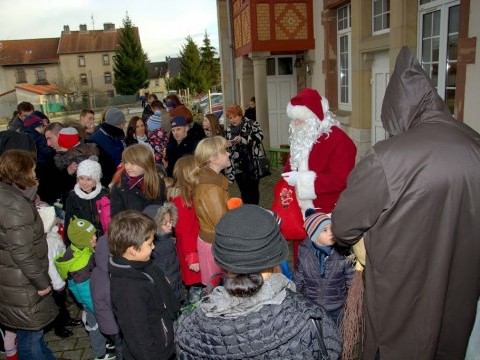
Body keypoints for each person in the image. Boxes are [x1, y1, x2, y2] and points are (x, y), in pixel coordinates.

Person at [331, 47, 480, 359]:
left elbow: (343, 228)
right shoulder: (474, 144)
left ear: (397, 108)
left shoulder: (388, 157)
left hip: (399, 297)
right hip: (459, 291)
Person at [176, 205, 342, 359]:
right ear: (275, 256)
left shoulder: (189, 331)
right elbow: (332, 350)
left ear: (221, 259)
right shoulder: (309, 319)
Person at [0, 150, 58, 359]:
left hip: (11, 279)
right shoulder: (16, 205)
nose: (35, 172)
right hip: (23, 284)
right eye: (32, 169)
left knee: (33, 333)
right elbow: (22, 251)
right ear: (22, 172)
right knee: (31, 337)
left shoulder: (7, 195)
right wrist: (42, 283)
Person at [108, 210, 180, 360]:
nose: (153, 247)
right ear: (133, 250)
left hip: (166, 338)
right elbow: (138, 338)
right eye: (150, 243)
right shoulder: (128, 290)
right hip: (155, 353)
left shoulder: (143, 263)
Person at [55, 217, 114, 360]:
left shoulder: (76, 249)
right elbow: (85, 291)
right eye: (91, 237)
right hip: (92, 302)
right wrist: (98, 308)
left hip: (90, 299)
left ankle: (104, 343)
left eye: (94, 234)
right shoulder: (81, 266)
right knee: (96, 326)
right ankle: (100, 354)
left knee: (96, 325)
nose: (95, 238)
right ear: (81, 240)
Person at [294, 211, 354, 325]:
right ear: (314, 235)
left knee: (337, 333)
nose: (331, 233)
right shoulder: (304, 253)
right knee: (319, 335)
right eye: (325, 230)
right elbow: (298, 277)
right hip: (313, 305)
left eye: (332, 228)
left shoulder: (343, 252)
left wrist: (353, 300)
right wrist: (294, 296)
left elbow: (351, 278)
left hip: (337, 305)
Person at [193, 136, 230, 287]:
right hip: (215, 245)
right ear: (212, 158)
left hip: (212, 242)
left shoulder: (212, 181)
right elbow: (223, 223)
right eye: (224, 151)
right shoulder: (211, 189)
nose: (228, 154)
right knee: (218, 289)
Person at [168, 155, 203, 303]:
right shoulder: (182, 201)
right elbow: (185, 232)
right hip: (193, 253)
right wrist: (192, 256)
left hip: (197, 247)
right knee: (197, 288)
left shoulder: (192, 195)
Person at [225, 104, 265, 205]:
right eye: (230, 118)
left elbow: (260, 137)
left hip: (252, 164)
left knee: (253, 191)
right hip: (238, 166)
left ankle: (255, 211)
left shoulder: (252, 123)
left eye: (235, 117)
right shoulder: (228, 129)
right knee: (244, 192)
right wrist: (228, 144)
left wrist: (243, 139)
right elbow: (227, 146)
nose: (232, 120)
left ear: (241, 115)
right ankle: (247, 212)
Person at [144, 203, 184, 303]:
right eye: (165, 223)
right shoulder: (155, 247)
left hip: (175, 283)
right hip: (169, 287)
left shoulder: (167, 240)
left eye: (171, 221)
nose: (170, 225)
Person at [110, 143, 166, 216]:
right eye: (126, 163)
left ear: (145, 163)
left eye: (133, 163)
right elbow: (116, 216)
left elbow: (161, 209)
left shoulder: (157, 181)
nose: (128, 167)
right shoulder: (119, 186)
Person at [64, 158, 110, 243]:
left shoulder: (104, 195)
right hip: (82, 239)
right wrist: (68, 243)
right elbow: (68, 221)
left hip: (103, 239)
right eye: (81, 178)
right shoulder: (73, 196)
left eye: (89, 179)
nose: (84, 182)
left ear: (96, 180)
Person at [89, 107, 126, 186]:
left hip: (119, 177)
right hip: (107, 182)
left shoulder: (115, 134)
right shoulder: (95, 140)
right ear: (117, 124)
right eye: (122, 123)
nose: (123, 126)